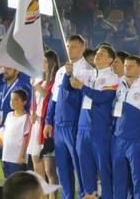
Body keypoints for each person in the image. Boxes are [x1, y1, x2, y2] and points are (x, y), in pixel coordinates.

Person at [44, 35, 93, 199]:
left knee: (79, 166)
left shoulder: (88, 71)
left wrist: (71, 75)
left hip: (74, 123)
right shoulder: (60, 71)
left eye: (74, 46)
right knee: (62, 168)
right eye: (68, 46)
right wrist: (48, 121)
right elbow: (54, 97)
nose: (70, 49)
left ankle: (82, 195)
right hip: (58, 125)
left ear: (82, 48)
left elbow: (79, 97)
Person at [69, 45, 118, 199]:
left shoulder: (112, 77)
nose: (98, 55)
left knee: (103, 168)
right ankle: (90, 194)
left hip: (100, 128)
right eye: (97, 53)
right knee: (85, 168)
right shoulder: (87, 73)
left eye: (102, 54)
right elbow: (69, 85)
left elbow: (102, 98)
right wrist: (68, 74)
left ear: (111, 60)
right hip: (83, 128)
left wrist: (82, 87)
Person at [112, 55, 140, 199]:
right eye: (125, 66)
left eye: (131, 66)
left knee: (138, 182)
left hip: (136, 142)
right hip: (118, 140)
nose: (127, 68)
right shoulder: (119, 86)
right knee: (118, 182)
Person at [27, 51, 59, 199]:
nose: (43, 65)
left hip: (47, 125)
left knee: (49, 169)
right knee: (35, 160)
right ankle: (41, 195)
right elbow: (35, 101)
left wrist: (36, 85)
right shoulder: (39, 80)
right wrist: (32, 113)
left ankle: (52, 196)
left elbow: (48, 97)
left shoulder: (55, 81)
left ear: (52, 64)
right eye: (42, 62)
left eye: (46, 62)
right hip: (36, 123)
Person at [0, 90, 30, 178]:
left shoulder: (26, 118)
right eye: (11, 99)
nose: (12, 102)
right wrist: (0, 142)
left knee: (17, 184)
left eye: (16, 99)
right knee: (7, 182)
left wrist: (22, 155)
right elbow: (5, 131)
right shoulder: (9, 115)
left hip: (17, 159)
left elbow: (26, 137)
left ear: (24, 102)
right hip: (6, 156)